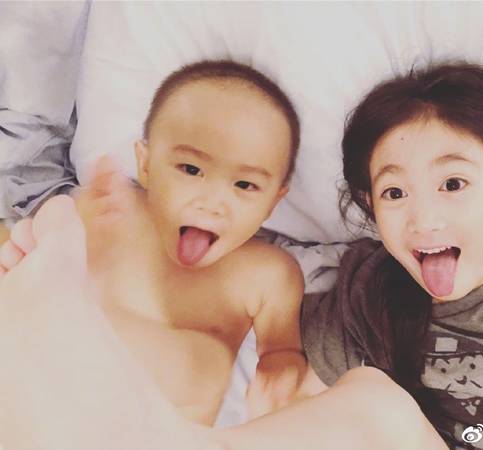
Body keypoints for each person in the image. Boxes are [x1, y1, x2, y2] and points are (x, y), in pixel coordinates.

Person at [302, 61, 483, 449]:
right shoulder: (368, 291)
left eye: (453, 184)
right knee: (371, 395)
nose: (424, 220)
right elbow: (294, 398)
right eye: (394, 193)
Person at [0, 59, 308, 425]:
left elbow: (281, 349)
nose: (211, 203)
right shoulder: (113, 212)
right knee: (57, 223)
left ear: (274, 201)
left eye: (245, 185)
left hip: (157, 429)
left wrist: (280, 370)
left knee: (205, 365)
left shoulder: (269, 273)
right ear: (145, 165)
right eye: (191, 169)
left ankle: (63, 314)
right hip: (49, 397)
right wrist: (86, 237)